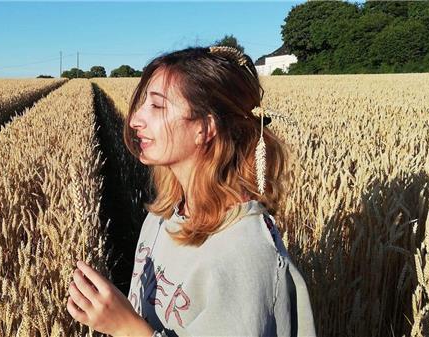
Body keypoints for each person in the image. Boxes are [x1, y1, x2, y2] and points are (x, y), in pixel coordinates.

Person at [66, 46, 316, 337]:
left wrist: (127, 328)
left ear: (205, 128)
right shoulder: (164, 216)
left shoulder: (247, 256)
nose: (134, 119)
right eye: (142, 103)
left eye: (157, 106)